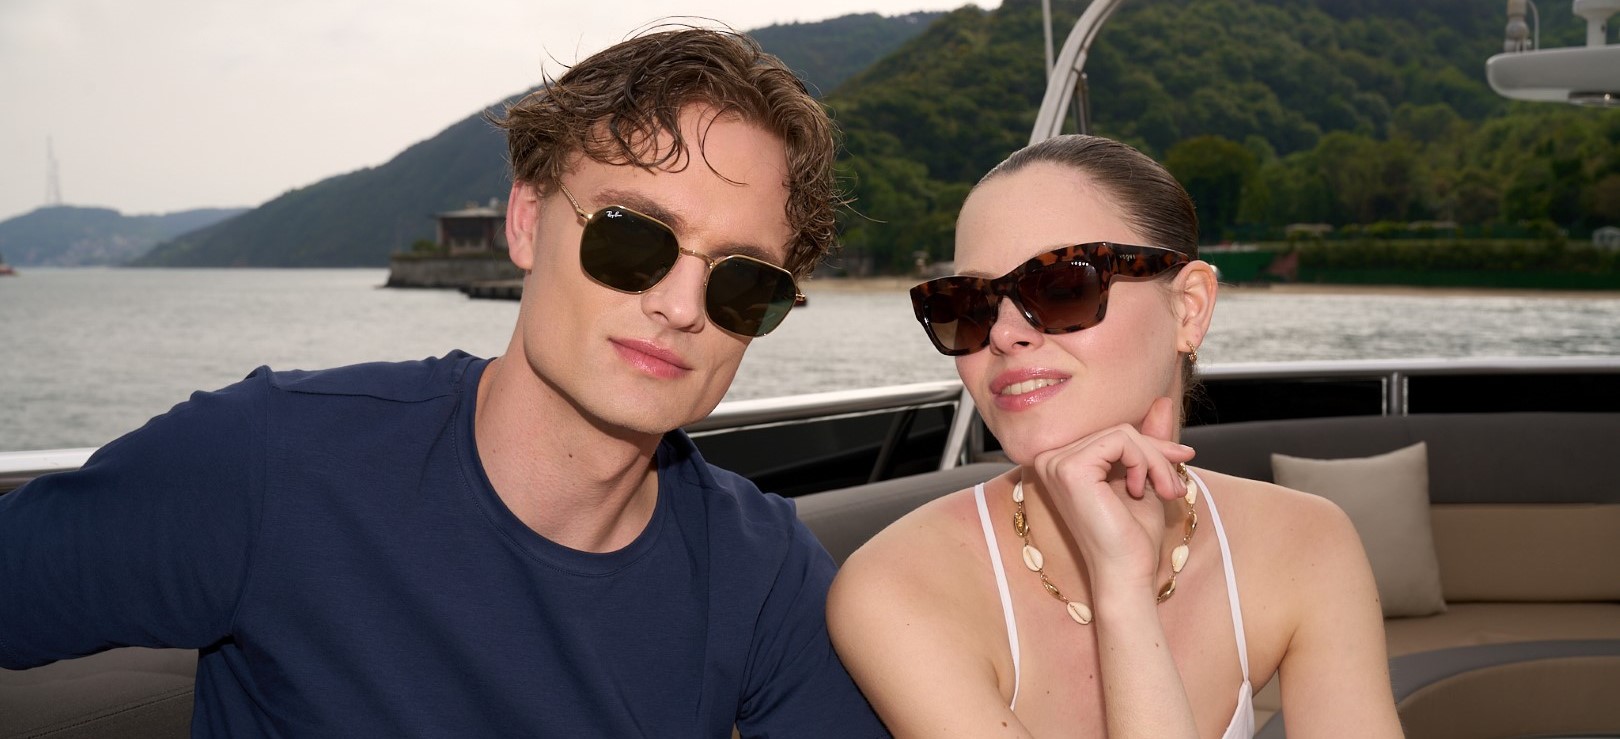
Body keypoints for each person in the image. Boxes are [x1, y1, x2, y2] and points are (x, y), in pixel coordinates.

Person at [0, 28, 885, 737]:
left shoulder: (763, 574)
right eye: (632, 237)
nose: (682, 305)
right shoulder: (274, 464)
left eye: (742, 281)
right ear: (526, 221)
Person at [826, 135, 1403, 738]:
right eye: (969, 304)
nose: (1002, 334)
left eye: (1061, 287)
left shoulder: (1306, 544)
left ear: (1189, 309)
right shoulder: (897, 588)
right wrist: (1123, 590)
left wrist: (1125, 590)